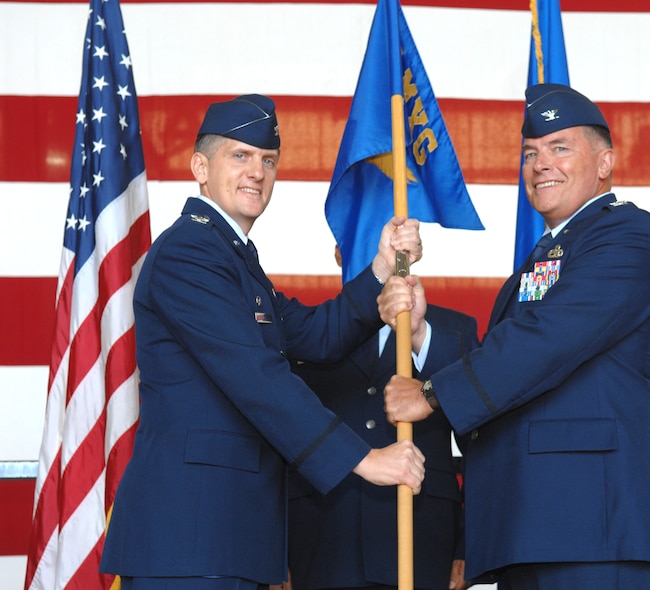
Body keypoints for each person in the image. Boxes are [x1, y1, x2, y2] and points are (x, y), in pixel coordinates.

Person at [100, 94, 427, 590]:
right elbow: (257, 377)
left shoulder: (233, 258)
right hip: (190, 537)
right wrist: (364, 459)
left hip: (228, 536)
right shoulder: (190, 251)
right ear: (200, 167)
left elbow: (313, 337)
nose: (257, 171)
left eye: (267, 160)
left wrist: (381, 267)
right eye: (240, 156)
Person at [383, 83, 650, 589]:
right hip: (527, 528)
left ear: (605, 163)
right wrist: (423, 334)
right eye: (531, 153)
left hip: (592, 530)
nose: (541, 163)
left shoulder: (627, 236)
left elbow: (546, 342)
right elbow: (514, 362)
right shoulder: (547, 256)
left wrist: (431, 395)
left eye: (561, 147)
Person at [286, 246, 477, 590]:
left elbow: (480, 442)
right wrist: (274, 552)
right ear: (338, 254)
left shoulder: (454, 329)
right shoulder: (310, 330)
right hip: (322, 538)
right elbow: (280, 438)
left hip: (422, 538)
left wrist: (468, 544)